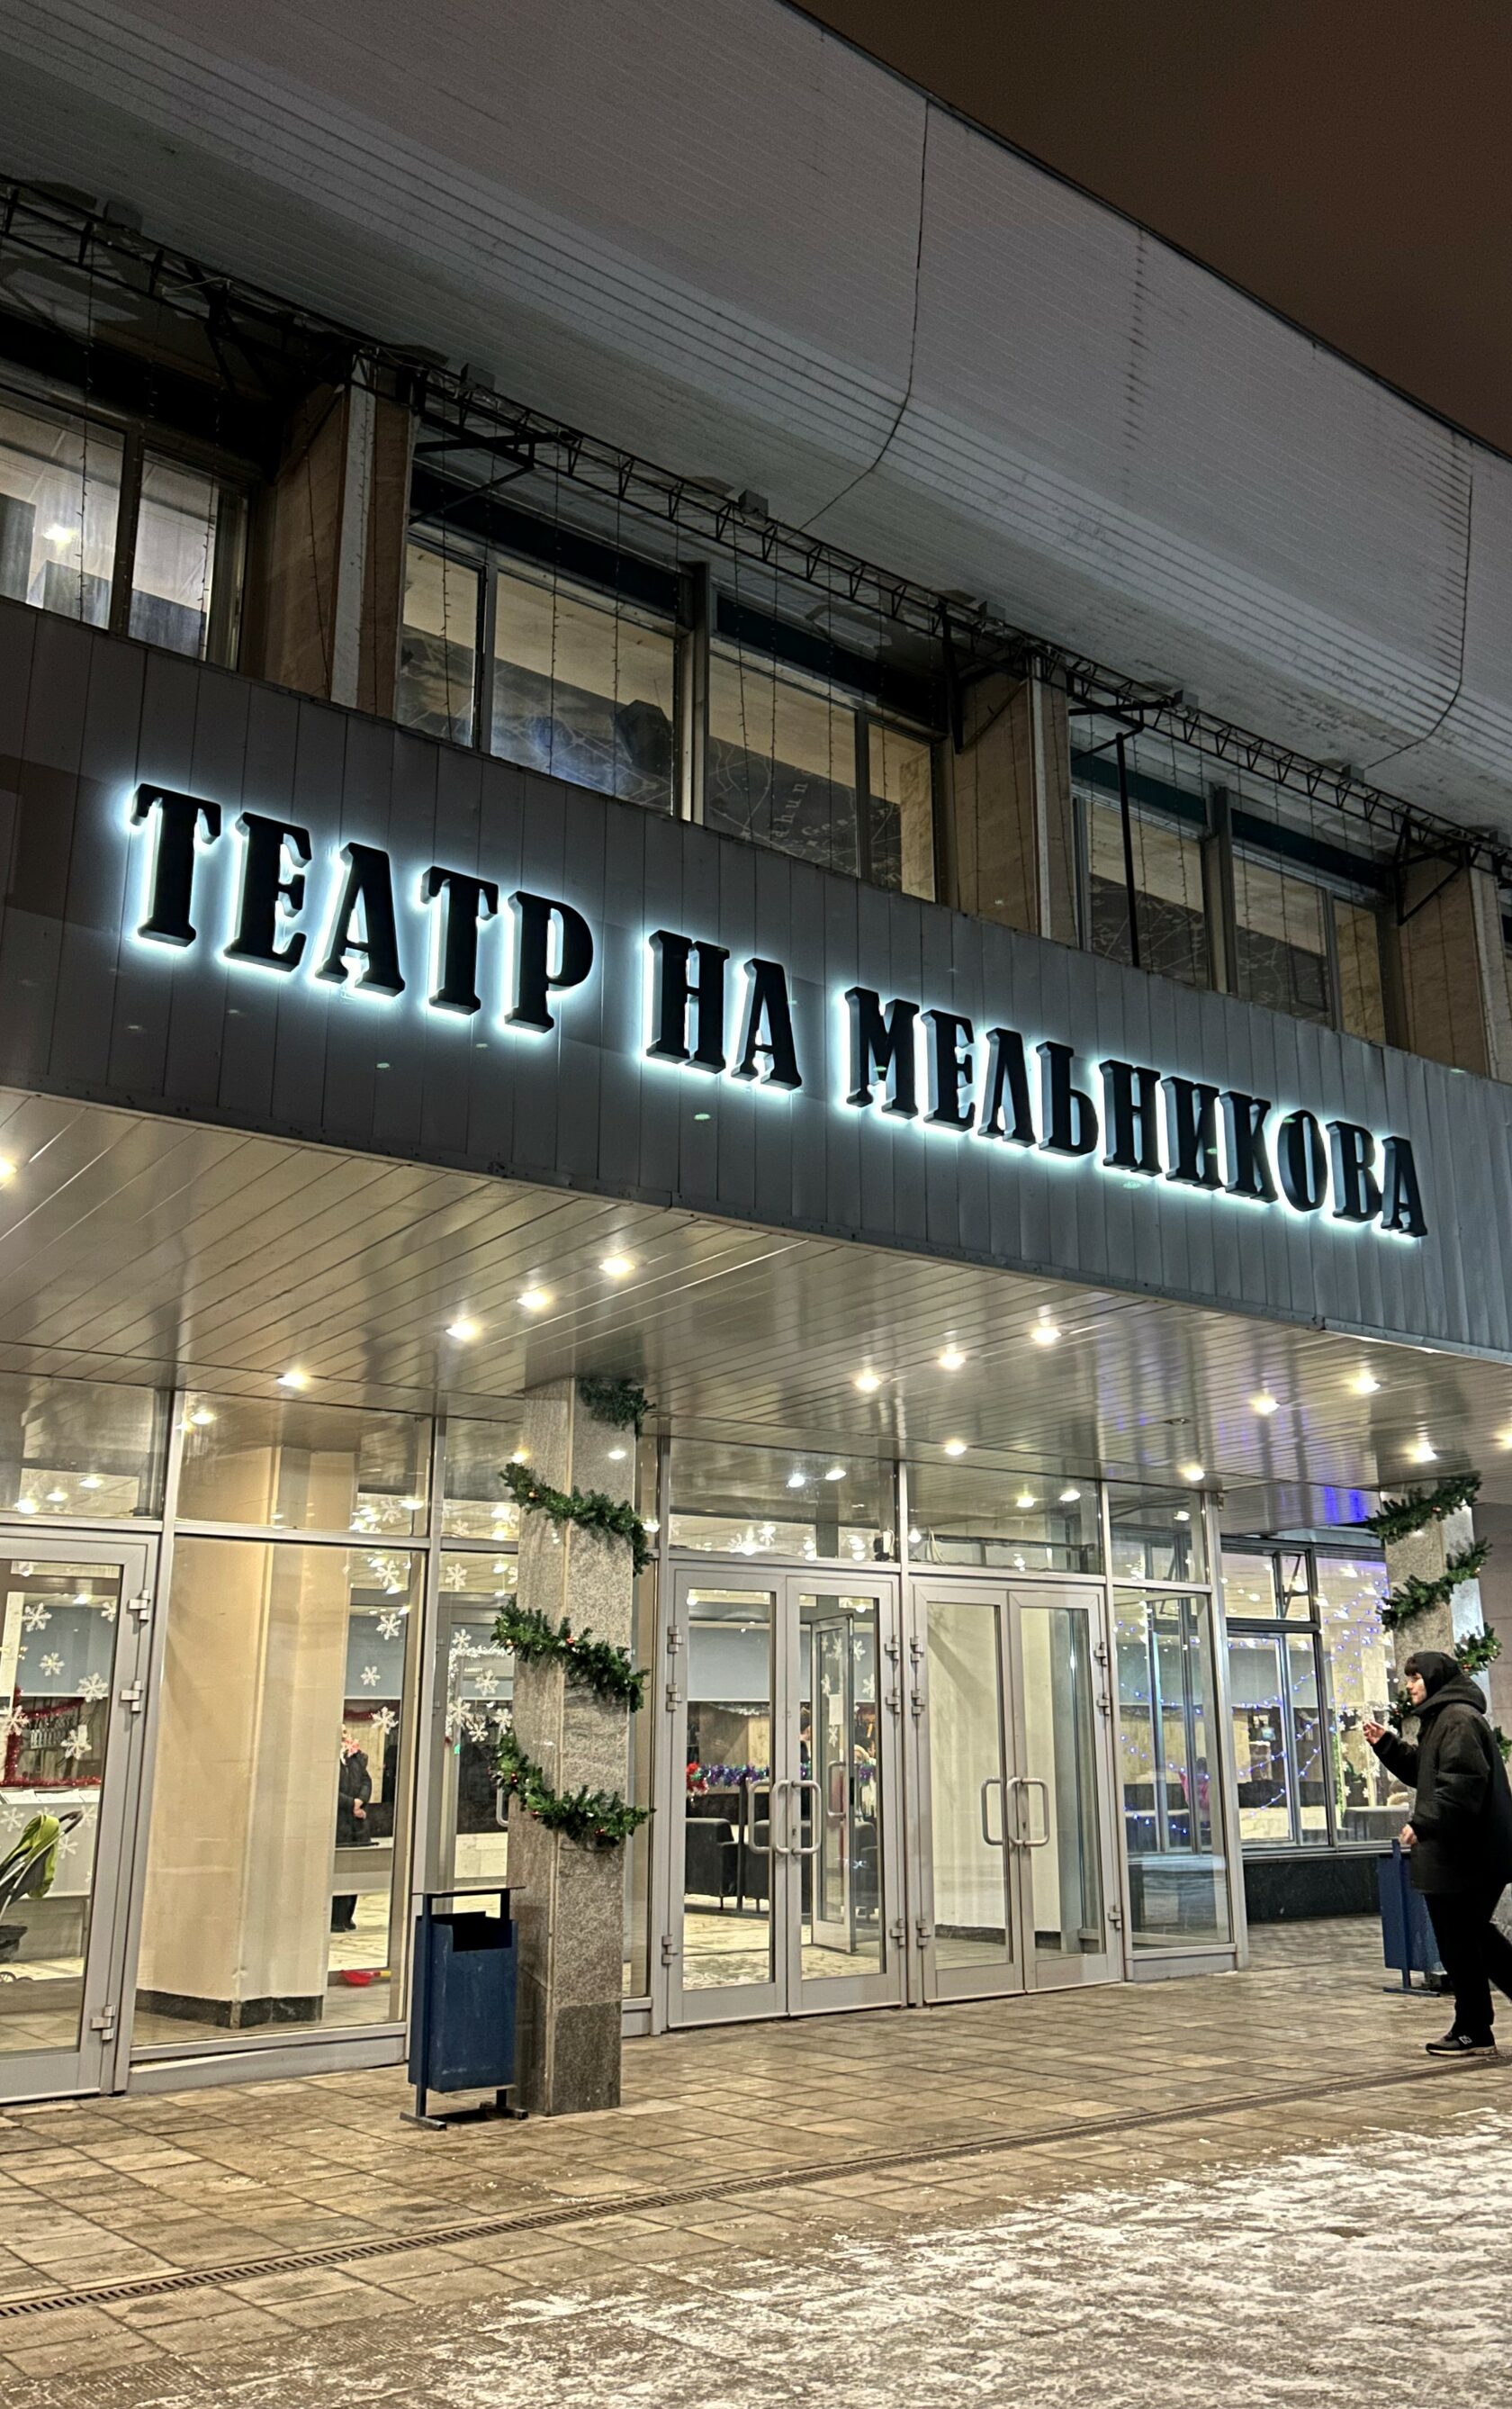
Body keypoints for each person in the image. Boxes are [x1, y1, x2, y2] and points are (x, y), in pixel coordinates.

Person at [1364, 1649, 1512, 2053]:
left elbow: (1462, 1784)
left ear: (1435, 1679)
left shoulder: (1458, 1720)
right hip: (1458, 1854)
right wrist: (1387, 1745)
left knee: (1467, 1941)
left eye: (1415, 1678)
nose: (1409, 1685)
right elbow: (1426, 1773)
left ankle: (1473, 2028)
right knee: (1467, 1941)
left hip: (1469, 1854)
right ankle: (1474, 2029)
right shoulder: (1442, 1719)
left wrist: (1423, 1823)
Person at [330, 1734, 372, 1935]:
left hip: (356, 1825)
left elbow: (366, 1782)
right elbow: (329, 1788)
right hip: (339, 1824)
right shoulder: (329, 1760)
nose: (345, 1736)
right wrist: (351, 1804)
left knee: (354, 1870)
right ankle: (335, 1918)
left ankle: (347, 1916)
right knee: (338, 1871)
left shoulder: (356, 1759)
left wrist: (360, 1801)